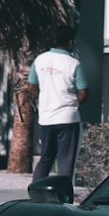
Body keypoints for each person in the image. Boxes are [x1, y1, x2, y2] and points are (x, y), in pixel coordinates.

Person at [27, 25, 89, 184]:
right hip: (68, 118)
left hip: (46, 118)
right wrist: (72, 102)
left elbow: (31, 87)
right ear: (70, 42)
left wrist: (45, 98)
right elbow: (83, 93)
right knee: (66, 161)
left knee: (46, 158)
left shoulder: (39, 60)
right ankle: (63, 197)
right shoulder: (74, 63)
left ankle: (36, 193)